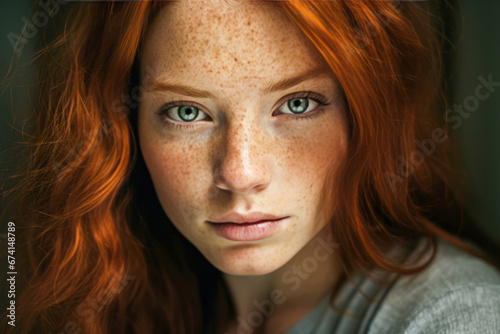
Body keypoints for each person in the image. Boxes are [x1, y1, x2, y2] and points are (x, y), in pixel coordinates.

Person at [1, 1, 500, 333]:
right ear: (126, 126)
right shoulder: (131, 298)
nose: (240, 173)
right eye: (187, 112)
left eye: (299, 104)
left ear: (364, 112)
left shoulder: (453, 315)